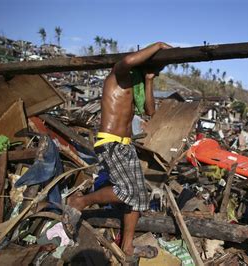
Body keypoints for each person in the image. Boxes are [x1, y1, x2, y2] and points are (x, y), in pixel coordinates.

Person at [67, 42, 172, 259]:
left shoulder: (136, 85)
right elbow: (127, 60)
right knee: (126, 192)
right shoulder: (117, 74)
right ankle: (80, 202)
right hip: (110, 141)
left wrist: (150, 80)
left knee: (139, 197)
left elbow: (150, 110)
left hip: (125, 144)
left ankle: (127, 247)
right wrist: (159, 45)